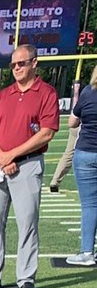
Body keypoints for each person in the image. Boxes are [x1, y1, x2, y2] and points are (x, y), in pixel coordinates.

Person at [0, 44, 59, 288]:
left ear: (34, 63)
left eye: (21, 63)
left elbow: (47, 133)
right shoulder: (3, 95)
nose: (16, 68)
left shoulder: (46, 93)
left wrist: (13, 154)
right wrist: (2, 156)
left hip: (27, 165)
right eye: (13, 64)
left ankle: (26, 278)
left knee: (27, 223)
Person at [63, 65, 97, 265]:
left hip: (86, 152)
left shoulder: (87, 92)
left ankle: (86, 252)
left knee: (90, 204)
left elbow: (71, 122)